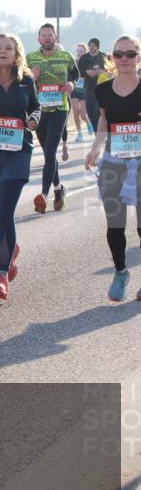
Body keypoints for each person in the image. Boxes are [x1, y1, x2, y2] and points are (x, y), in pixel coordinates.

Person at [0, 34, 40, 300]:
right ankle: (9, 250)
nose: (3, 51)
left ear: (16, 53)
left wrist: (34, 119)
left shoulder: (26, 81)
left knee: (4, 214)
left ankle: (1, 275)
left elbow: (36, 107)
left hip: (17, 152)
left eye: (8, 48)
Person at [84, 35, 141, 302]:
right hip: (113, 162)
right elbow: (104, 122)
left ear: (138, 57)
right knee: (115, 223)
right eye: (119, 54)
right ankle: (120, 272)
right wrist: (95, 147)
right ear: (112, 58)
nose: (125, 59)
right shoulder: (103, 90)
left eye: (131, 54)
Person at [26, 24, 79, 213]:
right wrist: (32, 76)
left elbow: (75, 73)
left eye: (50, 35)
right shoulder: (30, 58)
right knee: (49, 154)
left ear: (55, 37)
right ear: (39, 39)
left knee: (49, 153)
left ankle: (44, 195)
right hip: (40, 110)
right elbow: (23, 82)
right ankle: (59, 190)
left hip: (59, 108)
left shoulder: (65, 57)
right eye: (44, 35)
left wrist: (71, 84)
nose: (47, 38)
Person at [79, 37, 108, 138]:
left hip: (102, 88)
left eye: (93, 46)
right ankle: (97, 133)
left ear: (97, 47)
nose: (91, 48)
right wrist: (87, 72)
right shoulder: (83, 58)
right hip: (88, 88)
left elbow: (110, 70)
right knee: (90, 111)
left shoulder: (104, 56)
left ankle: (102, 133)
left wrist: (100, 71)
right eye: (90, 45)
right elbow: (80, 71)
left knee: (99, 111)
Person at [71, 43, 90, 141]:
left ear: (85, 52)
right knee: (75, 112)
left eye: (81, 51)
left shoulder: (88, 62)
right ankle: (79, 133)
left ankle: (88, 123)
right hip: (74, 90)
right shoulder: (74, 61)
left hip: (84, 90)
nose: (79, 53)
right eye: (77, 51)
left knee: (83, 114)